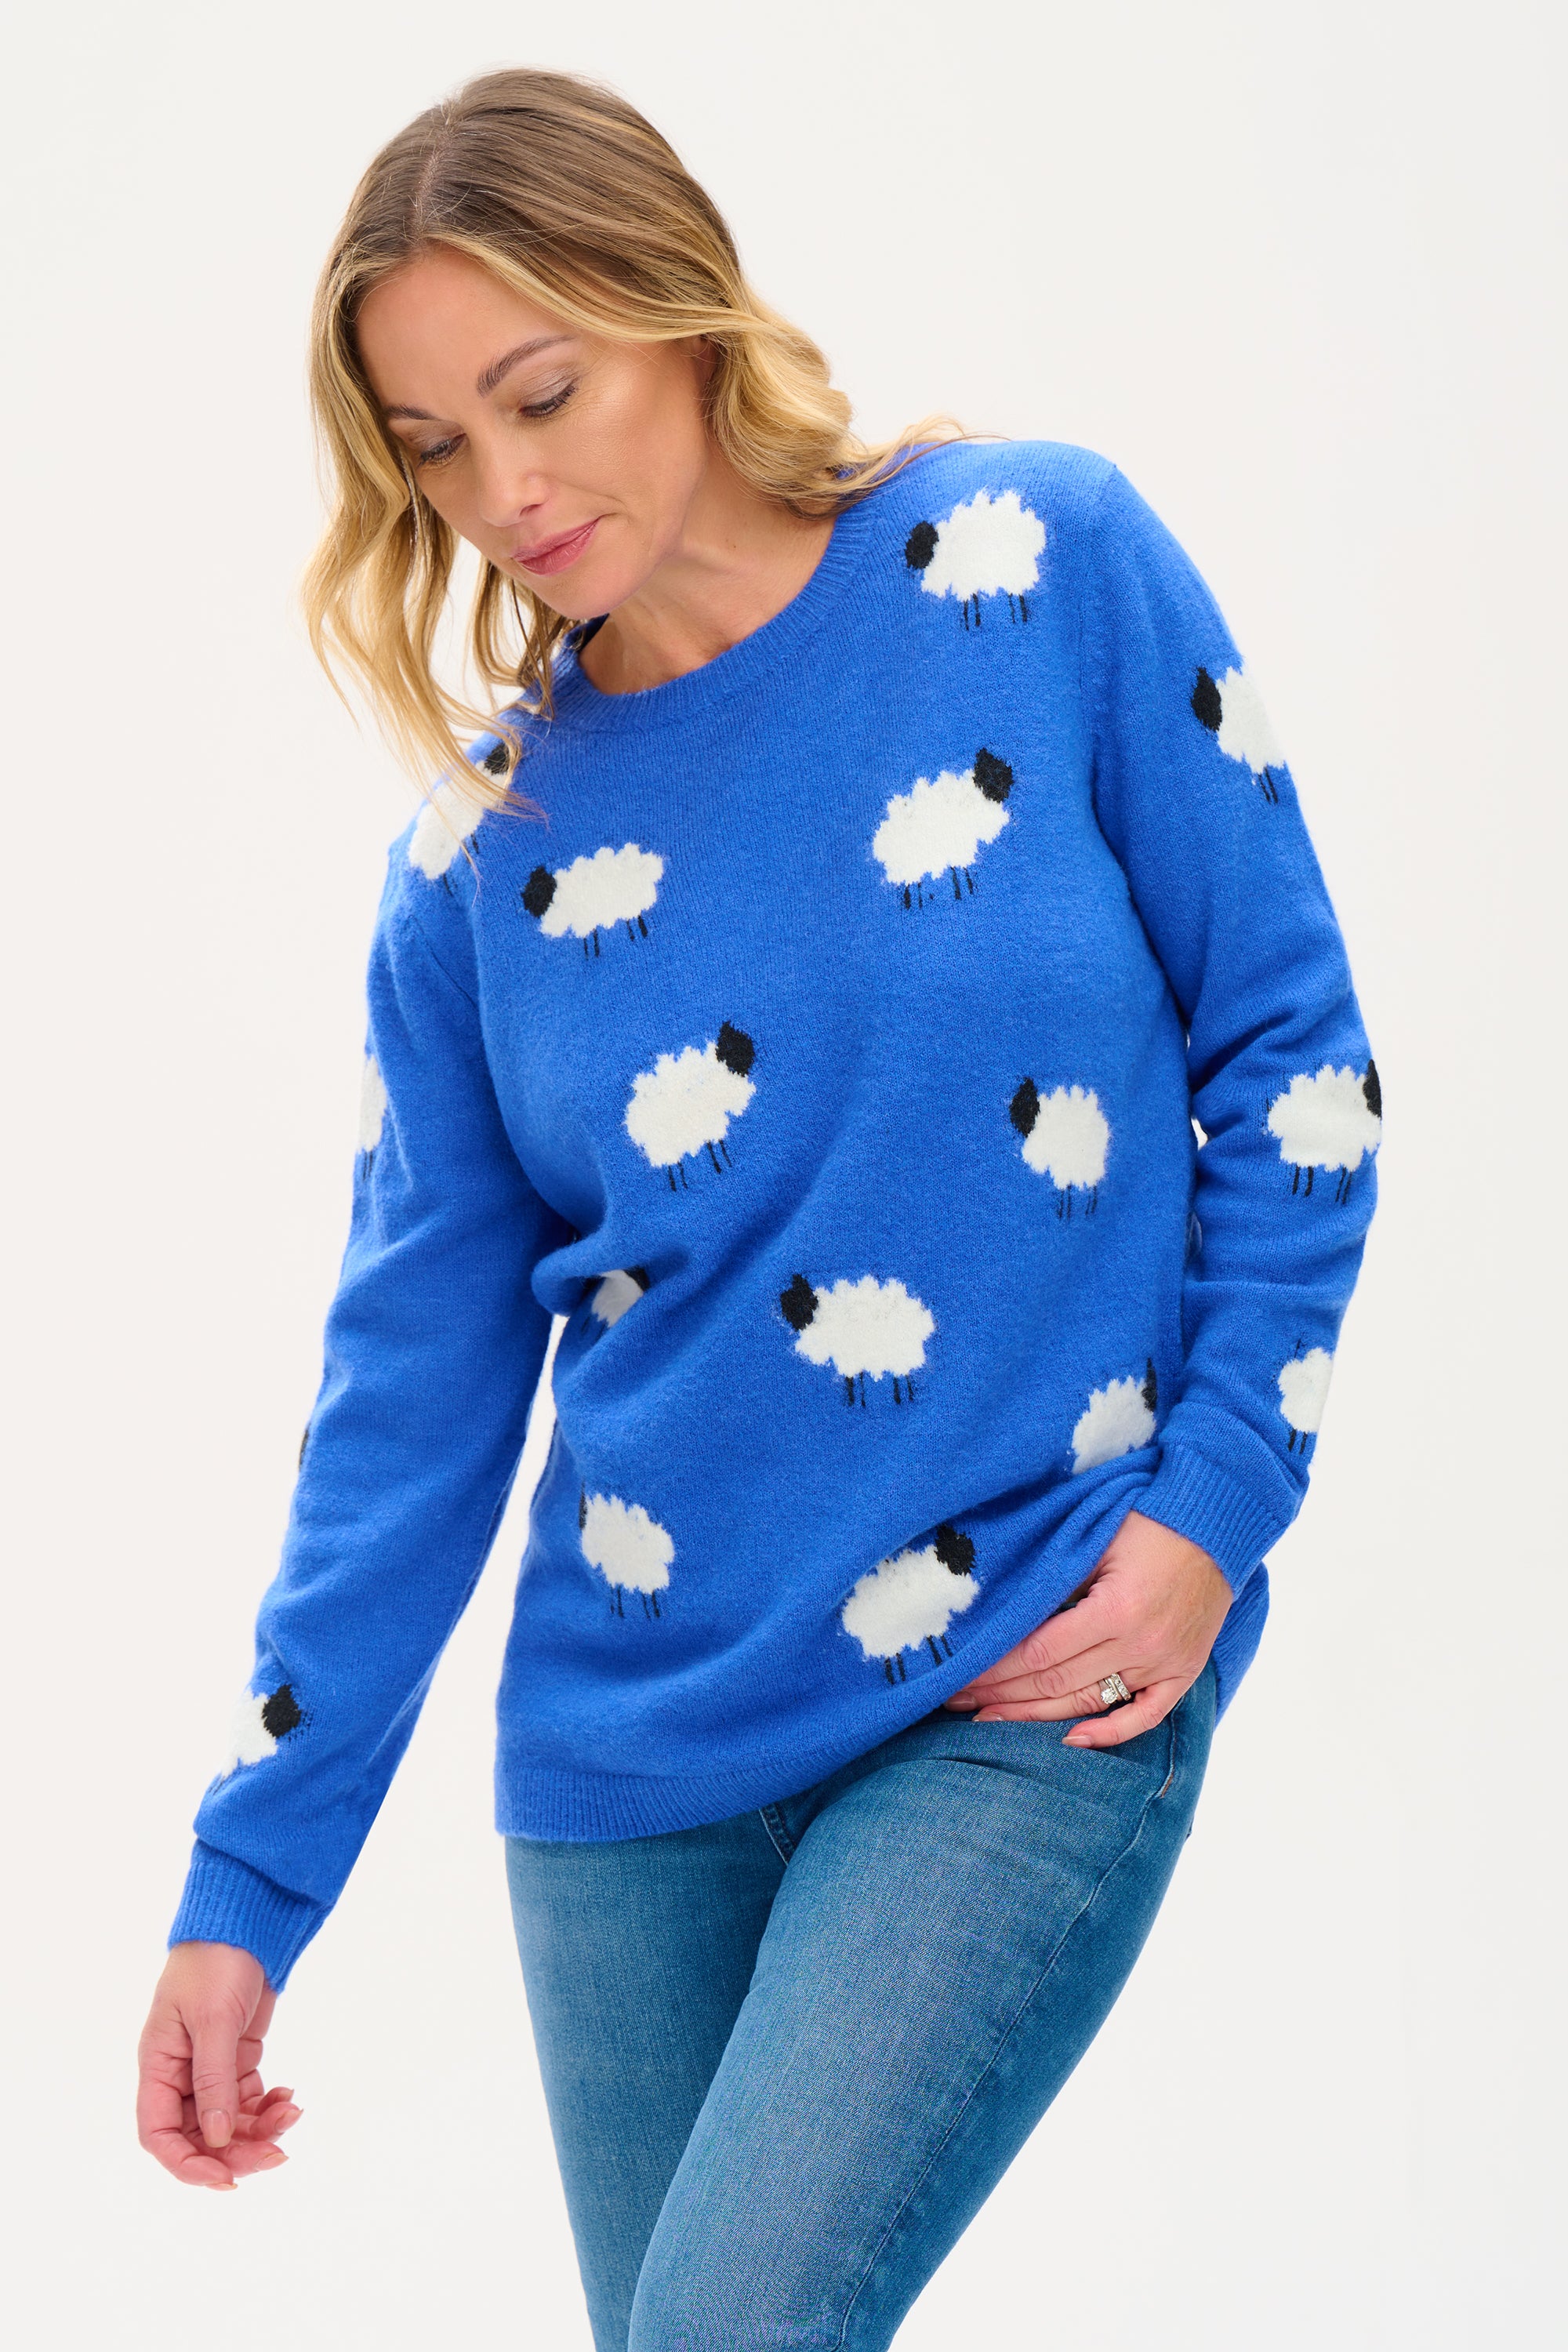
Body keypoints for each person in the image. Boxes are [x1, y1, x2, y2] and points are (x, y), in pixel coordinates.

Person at [136, 66, 1381, 2351]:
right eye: (430, 448)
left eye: (541, 394)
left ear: (678, 306)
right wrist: (248, 1880)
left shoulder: (1036, 564)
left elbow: (1295, 1062)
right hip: (630, 1770)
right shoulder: (480, 861)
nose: (503, 493)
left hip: (1023, 1660)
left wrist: (1217, 1509)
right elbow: (410, 1400)